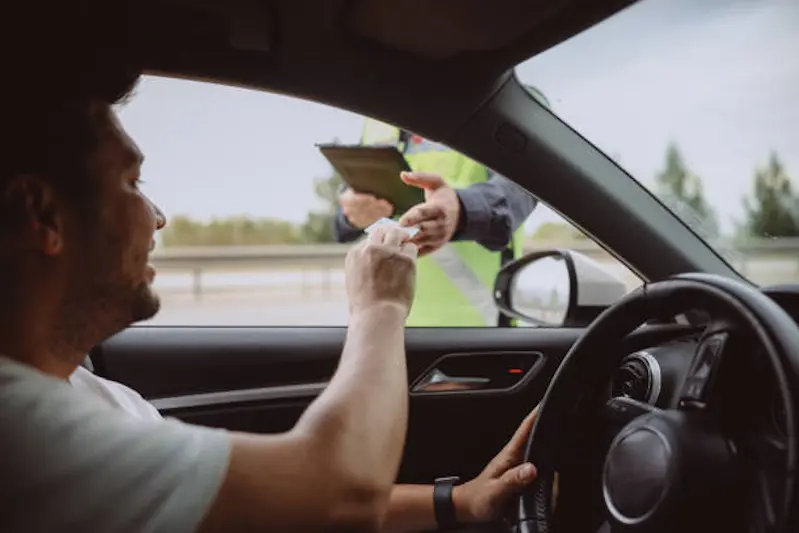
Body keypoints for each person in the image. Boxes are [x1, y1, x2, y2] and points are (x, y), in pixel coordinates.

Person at [0, 3, 539, 532]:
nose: (158, 217)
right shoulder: (22, 432)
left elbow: (277, 499)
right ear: (43, 215)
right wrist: (380, 308)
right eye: (132, 184)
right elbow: (339, 496)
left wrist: (459, 502)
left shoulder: (96, 399)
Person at [334, 88, 551, 327]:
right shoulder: (375, 116)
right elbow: (345, 217)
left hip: (477, 329)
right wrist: (351, 214)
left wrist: (462, 210)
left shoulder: (508, 101)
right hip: (385, 324)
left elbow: (520, 189)